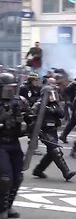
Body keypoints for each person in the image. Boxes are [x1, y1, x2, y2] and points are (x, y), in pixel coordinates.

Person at [0, 73, 33, 219]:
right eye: (9, 87)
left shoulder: (20, 101)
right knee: (5, 178)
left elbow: (30, 116)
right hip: (0, 143)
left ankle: (9, 205)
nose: (12, 90)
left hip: (14, 142)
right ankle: (2, 209)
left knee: (18, 177)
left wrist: (33, 120)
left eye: (14, 87)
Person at [32, 86, 76, 181]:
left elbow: (61, 115)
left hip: (53, 131)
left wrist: (55, 109)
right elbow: (31, 118)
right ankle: (66, 172)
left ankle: (38, 170)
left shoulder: (54, 104)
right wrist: (37, 131)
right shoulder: (38, 105)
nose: (52, 97)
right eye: (50, 95)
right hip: (44, 131)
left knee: (51, 153)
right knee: (56, 151)